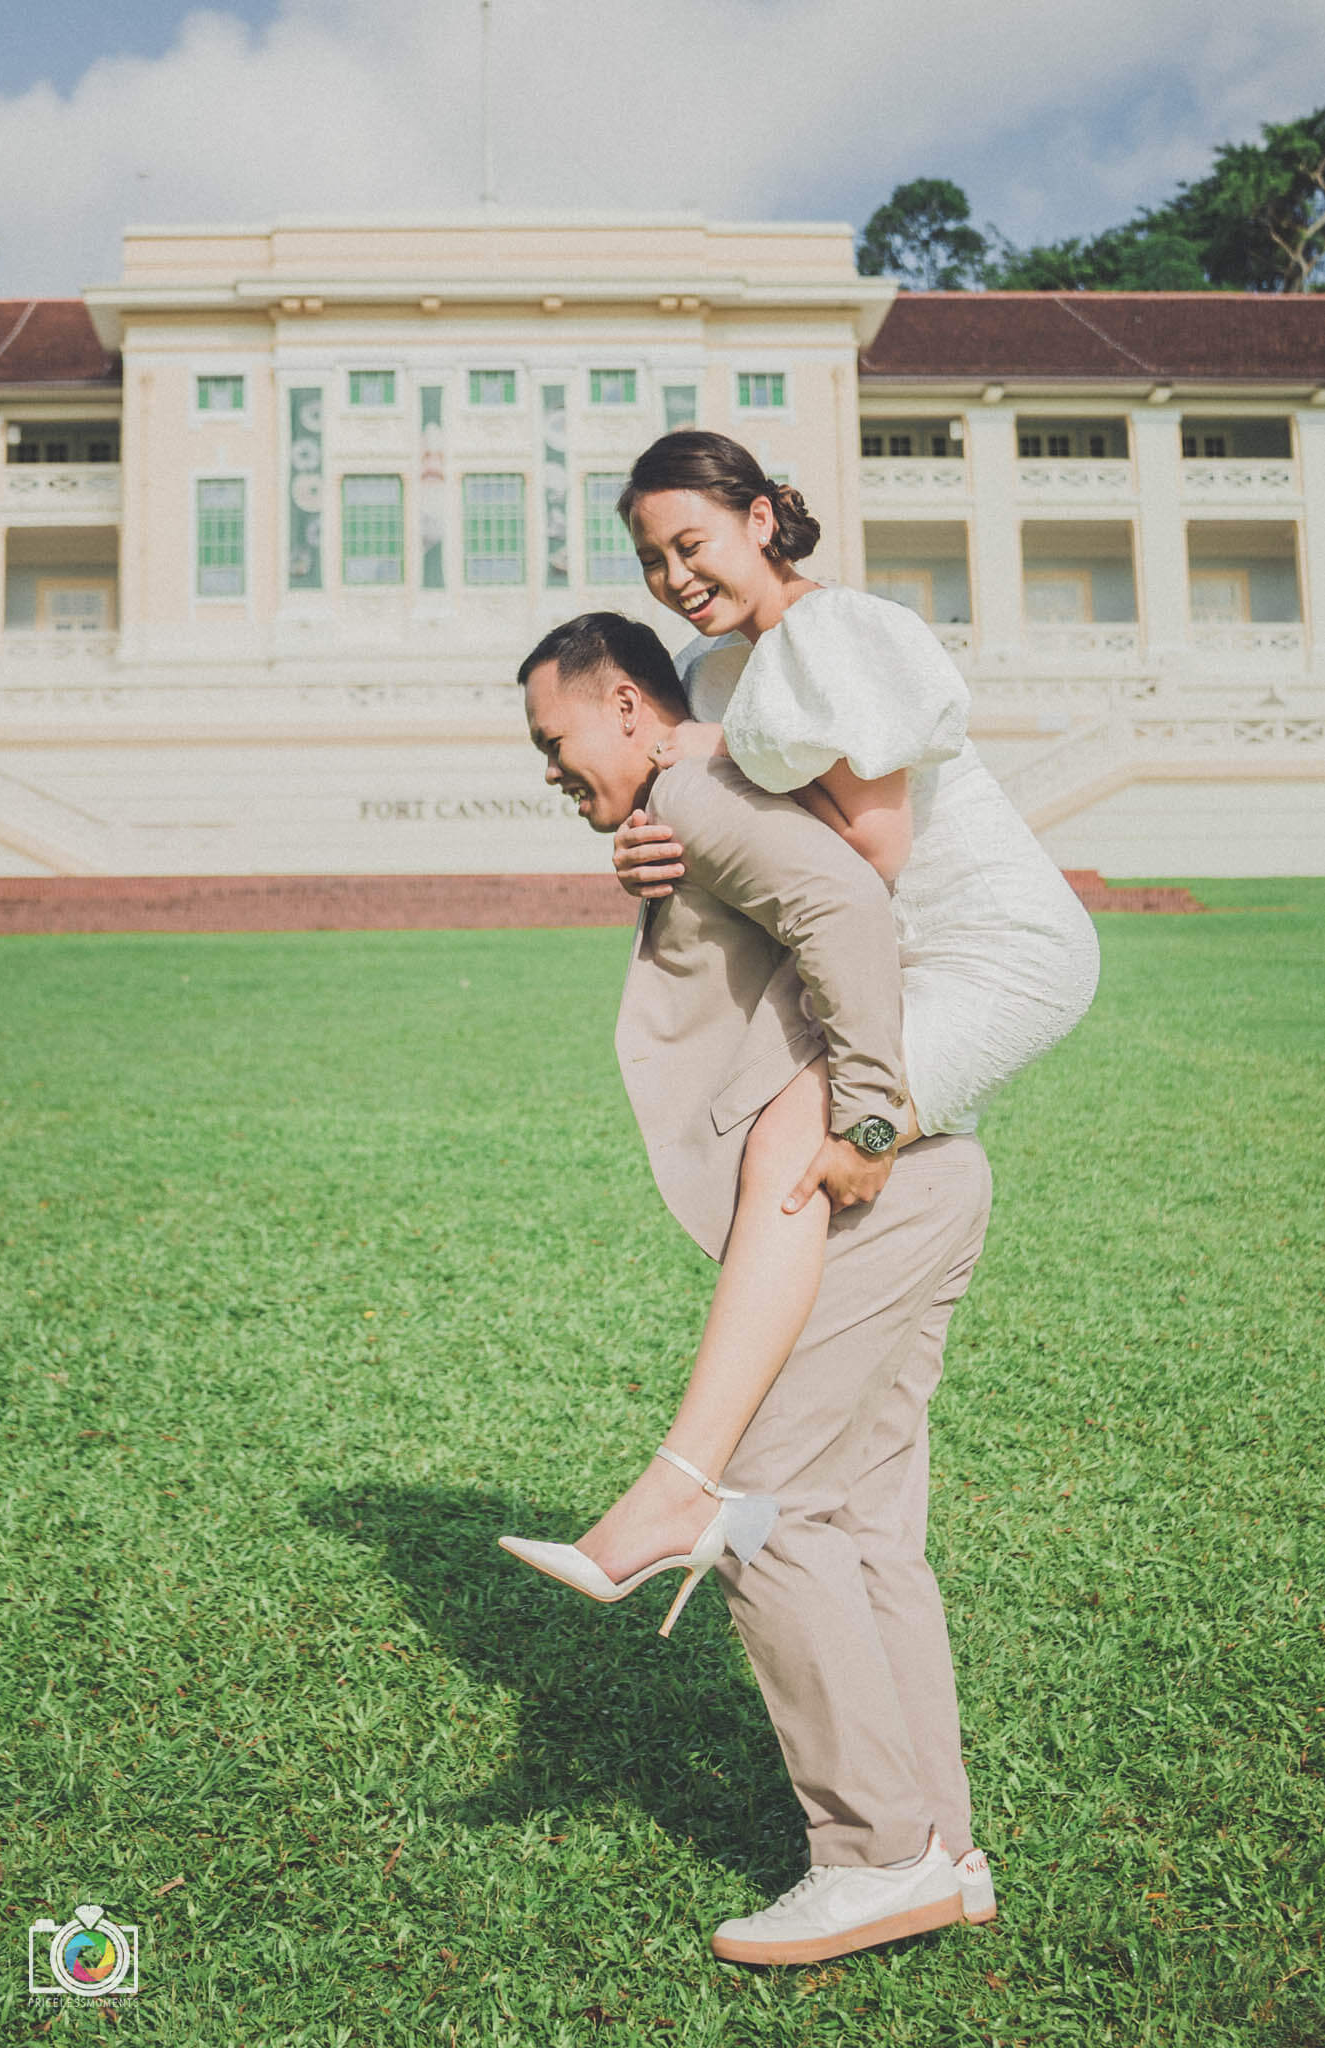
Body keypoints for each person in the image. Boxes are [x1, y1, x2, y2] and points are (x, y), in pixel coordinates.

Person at [501, 616, 996, 1961]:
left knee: (759, 1506)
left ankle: (876, 1855)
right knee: (866, 1523)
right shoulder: (690, 799)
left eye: (554, 737)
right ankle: (941, 1850)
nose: (548, 766)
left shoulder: (694, 788)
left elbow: (844, 907)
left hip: (866, 1181)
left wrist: (868, 1115)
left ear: (625, 703)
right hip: (932, 1180)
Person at [543, 431, 1098, 1596]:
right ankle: (825, 1524)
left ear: (760, 518)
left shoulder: (839, 632)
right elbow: (731, 832)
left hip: (994, 949)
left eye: (691, 542)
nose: (675, 576)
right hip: (888, 963)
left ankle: (681, 1486)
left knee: (798, 1142)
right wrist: (647, 850)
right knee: (799, 1158)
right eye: (651, 559)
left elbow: (872, 851)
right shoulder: (706, 671)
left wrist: (718, 753)